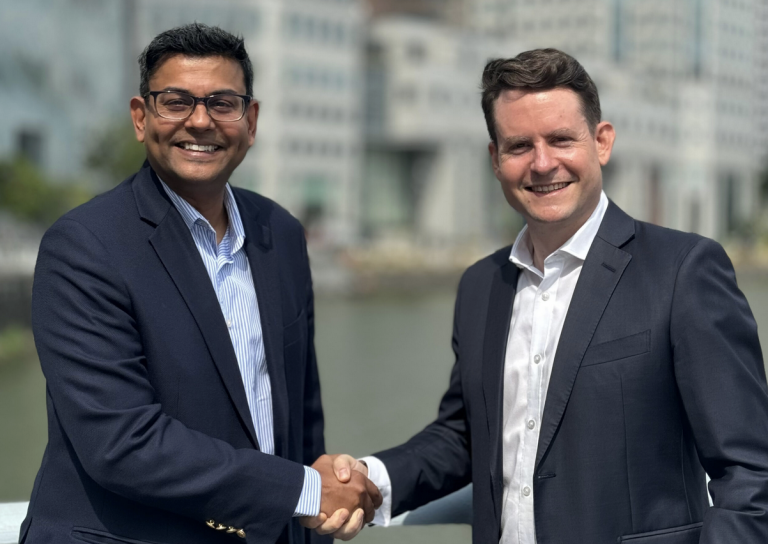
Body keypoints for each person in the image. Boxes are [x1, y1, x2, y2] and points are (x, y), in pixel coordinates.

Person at [319, 48, 768, 543]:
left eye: (560, 139)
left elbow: (750, 471)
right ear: (495, 160)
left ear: (602, 142)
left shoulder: (683, 270)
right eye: (519, 146)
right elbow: (464, 436)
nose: (542, 163)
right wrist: (367, 478)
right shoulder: (481, 285)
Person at [20, 23, 380, 544]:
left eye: (223, 103)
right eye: (176, 102)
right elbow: (121, 441)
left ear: (250, 122)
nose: (200, 120)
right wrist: (303, 490)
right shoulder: (85, 246)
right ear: (141, 118)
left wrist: (318, 504)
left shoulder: (278, 233)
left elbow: (301, 418)